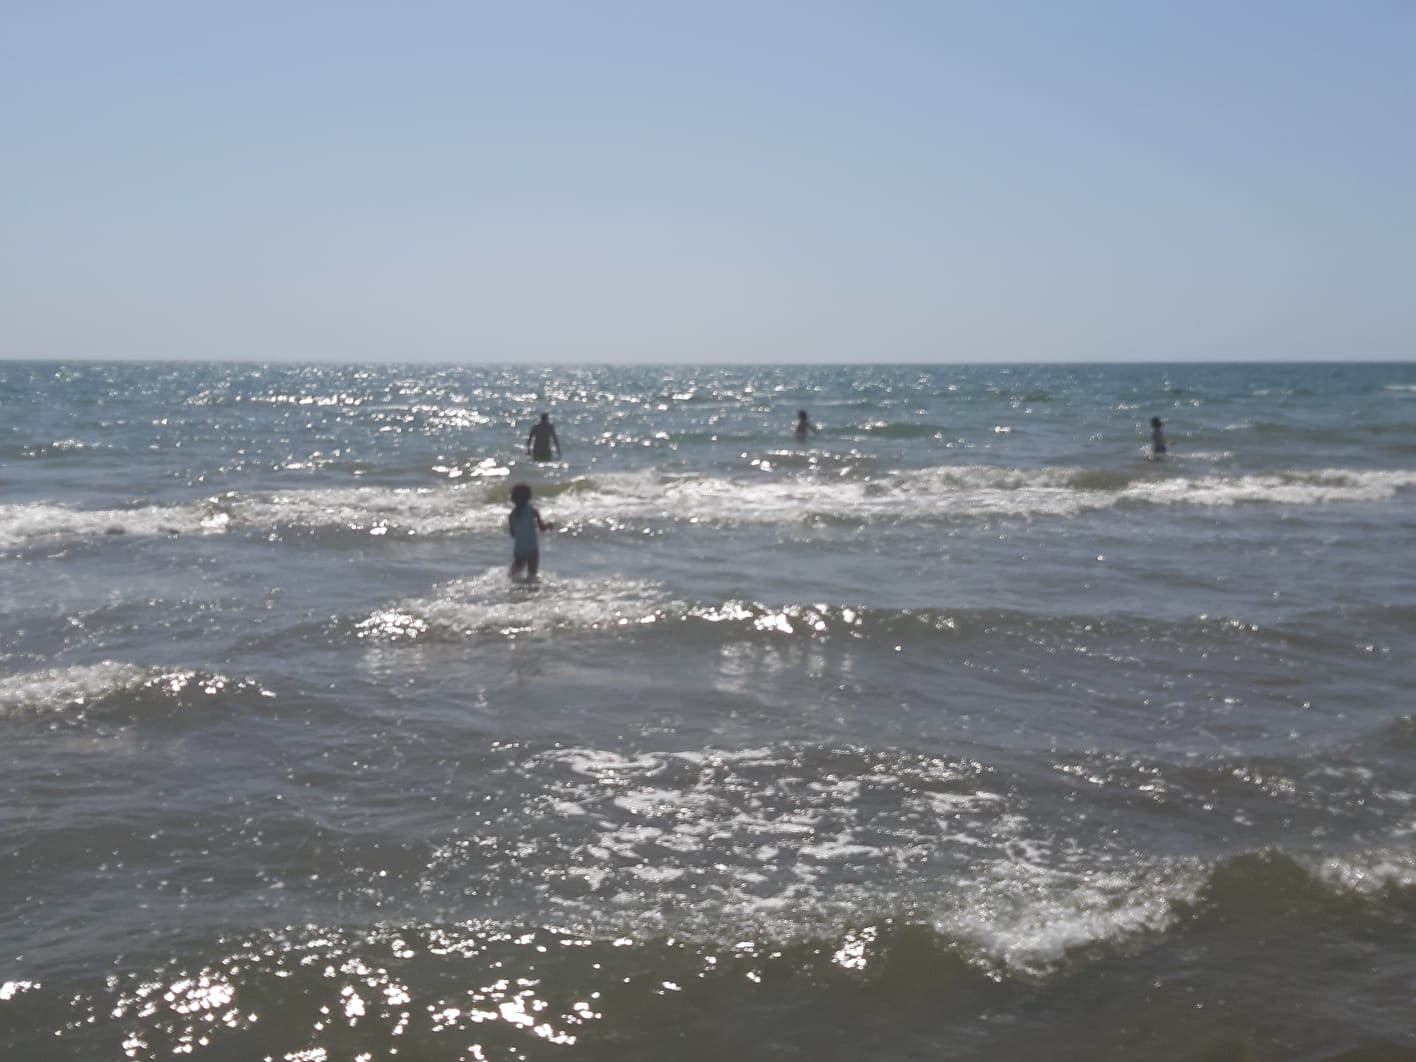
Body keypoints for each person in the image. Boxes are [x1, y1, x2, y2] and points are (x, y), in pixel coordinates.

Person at [508, 483, 552, 581]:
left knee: (515, 573)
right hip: (531, 548)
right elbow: (542, 528)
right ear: (529, 497)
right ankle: (531, 593)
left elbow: (513, 534)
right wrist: (548, 525)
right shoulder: (532, 511)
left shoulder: (512, 515)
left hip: (518, 549)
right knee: (532, 575)